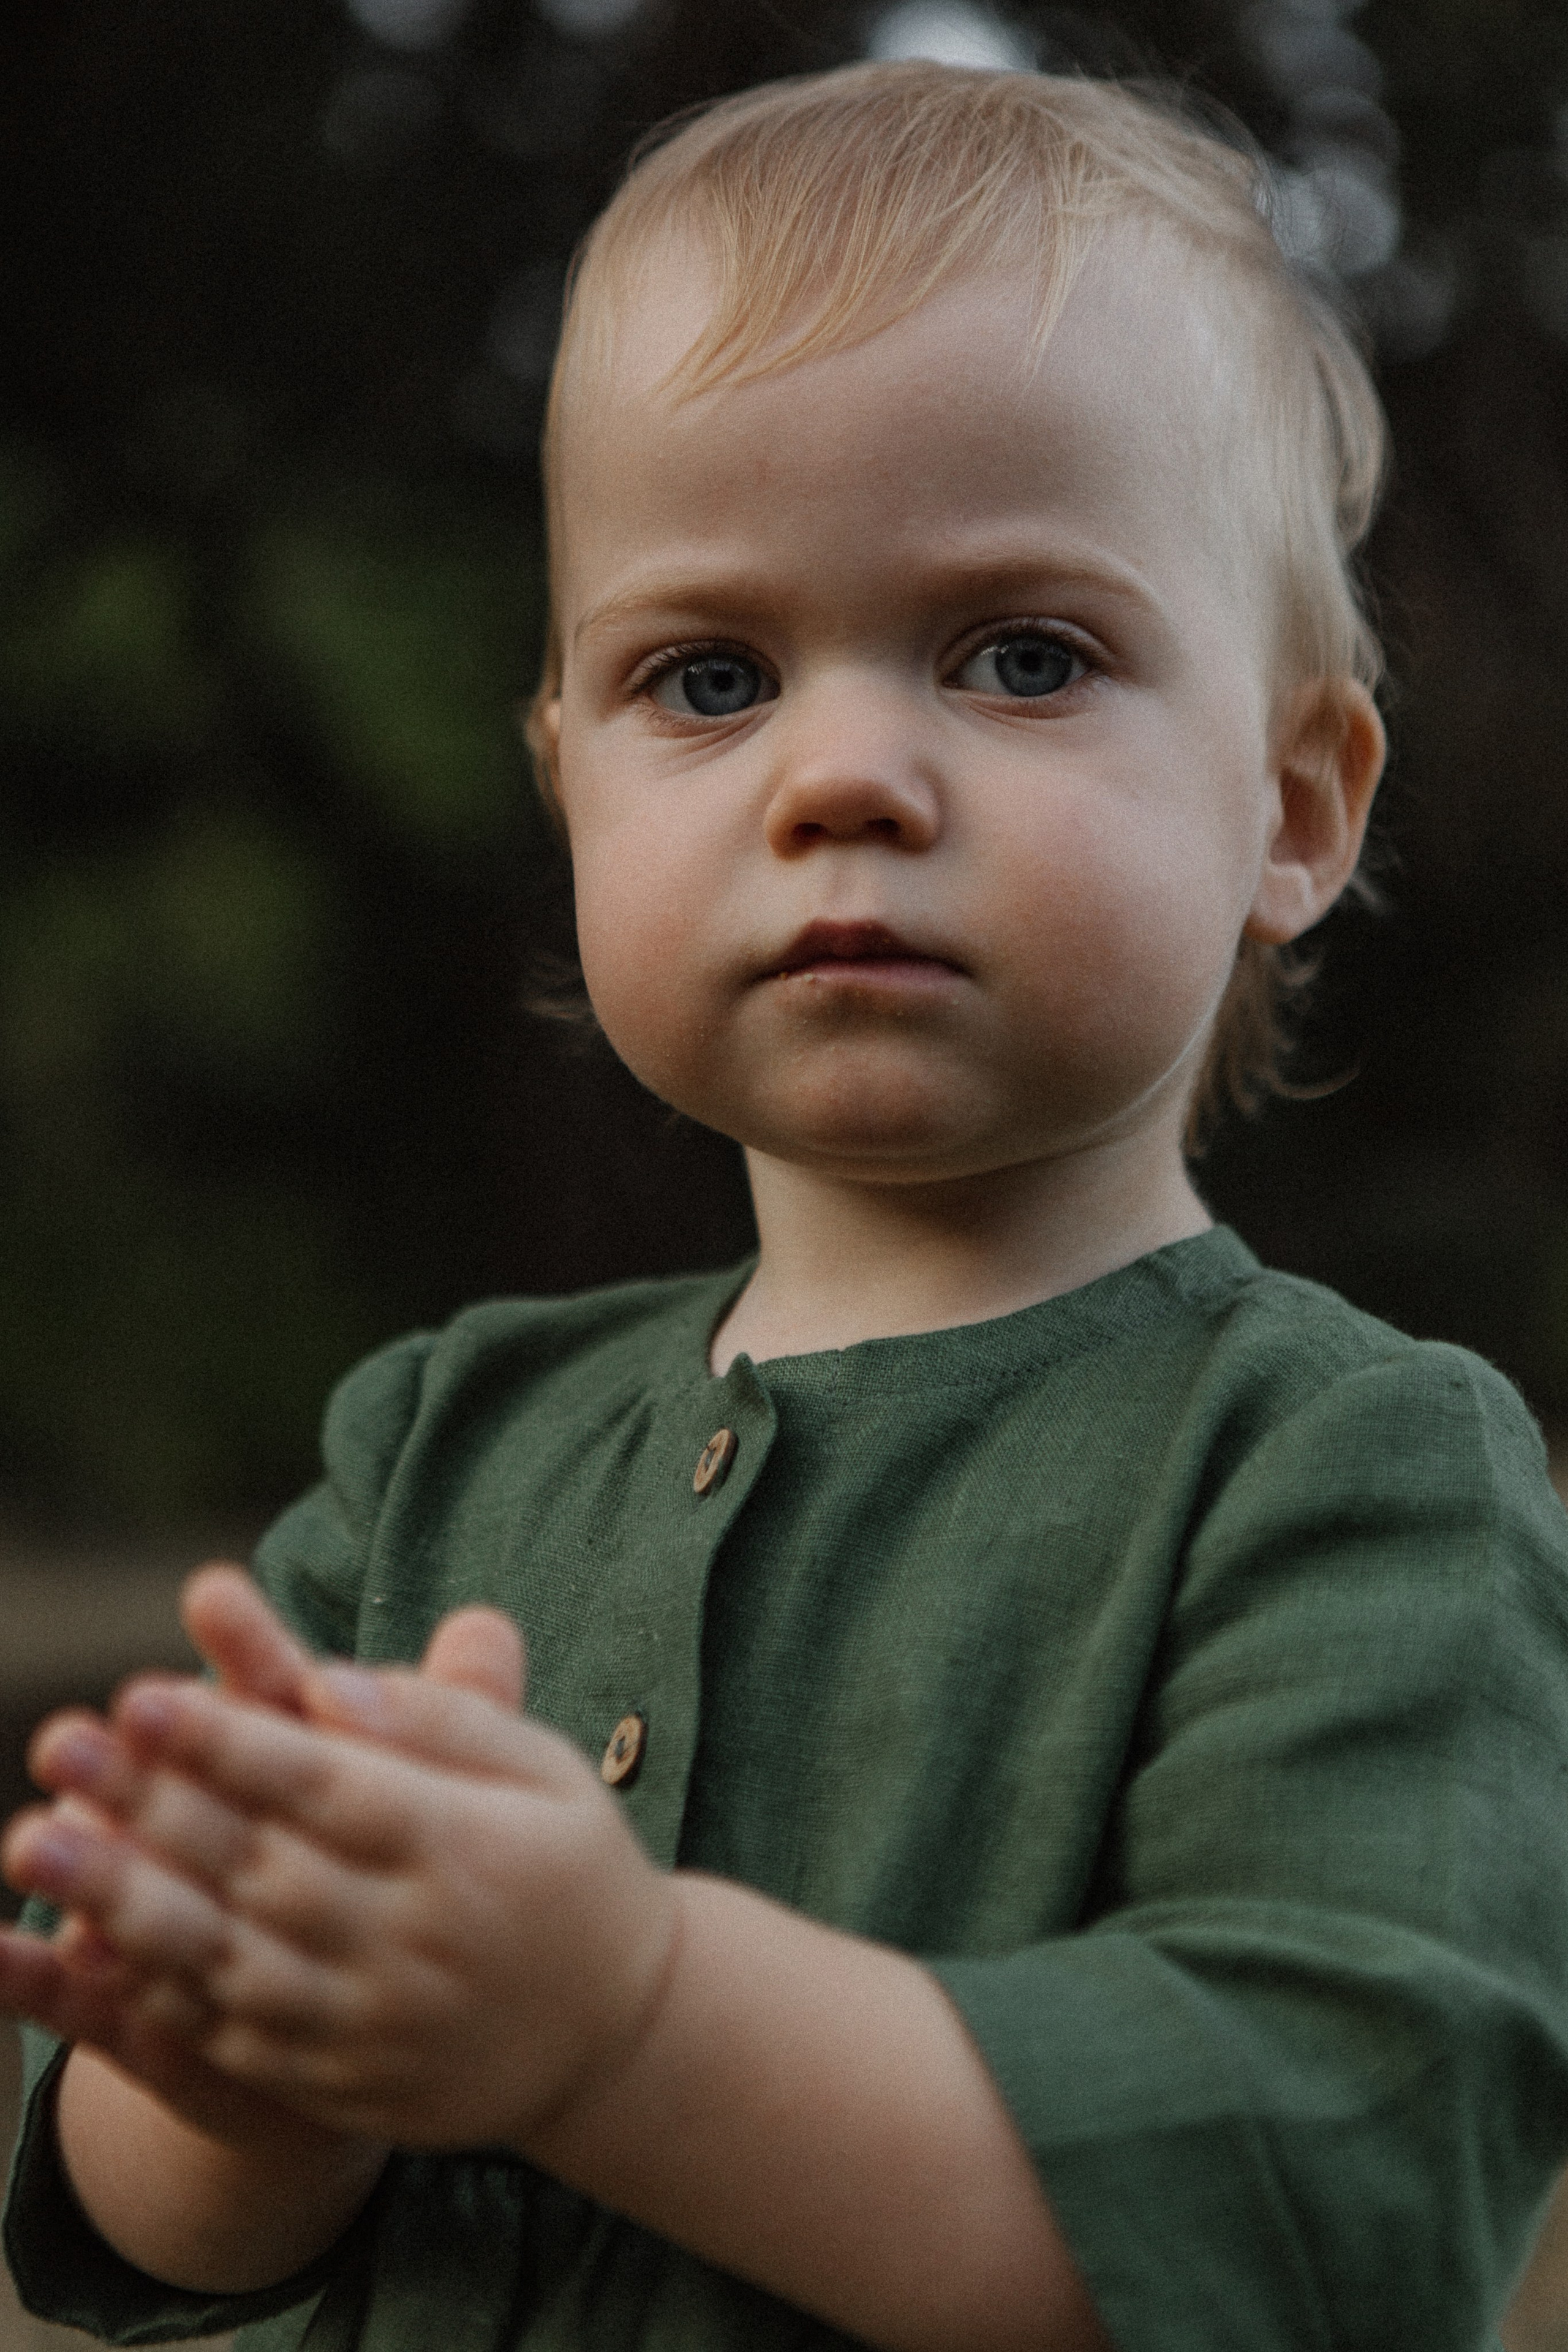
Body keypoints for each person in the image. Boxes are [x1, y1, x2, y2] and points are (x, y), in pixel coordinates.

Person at [4, 58, 1568, 2352]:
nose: (840, 775)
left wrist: (617, 2021)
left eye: (1023, 654)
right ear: (569, 792)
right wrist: (244, 2066)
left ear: (1293, 806)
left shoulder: (1348, 1479)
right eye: (708, 677)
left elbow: (1328, 2215)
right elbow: (138, 2233)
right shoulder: (438, 1449)